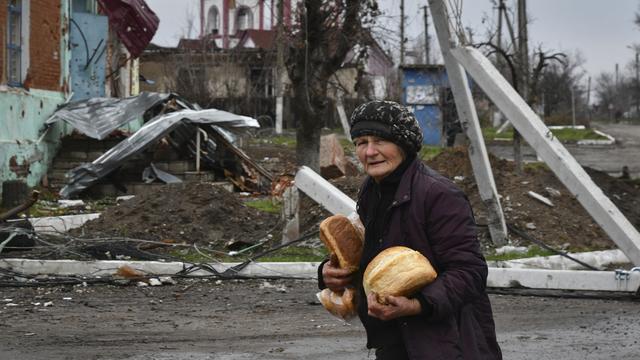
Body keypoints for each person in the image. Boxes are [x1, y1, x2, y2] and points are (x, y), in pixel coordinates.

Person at [318, 100, 502, 359]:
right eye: (361, 142)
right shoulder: (372, 190)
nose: (369, 152)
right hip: (396, 340)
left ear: (403, 144)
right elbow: (374, 257)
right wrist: (330, 271)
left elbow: (470, 272)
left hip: (447, 343)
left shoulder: (439, 195)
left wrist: (416, 304)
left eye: (380, 140)